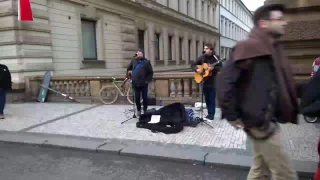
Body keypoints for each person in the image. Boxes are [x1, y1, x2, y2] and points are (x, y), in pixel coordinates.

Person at [216, 4, 299, 180]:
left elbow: (277, 83)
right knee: (286, 175)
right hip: (259, 121)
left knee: (260, 171)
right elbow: (224, 81)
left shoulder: (272, 48)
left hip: (268, 118)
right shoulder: (248, 47)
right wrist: (231, 114)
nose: (284, 23)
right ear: (263, 23)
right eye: (279, 19)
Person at [191, 44, 222, 120]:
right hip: (204, 80)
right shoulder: (202, 57)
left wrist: (213, 69)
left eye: (206, 48)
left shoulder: (216, 58)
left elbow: (220, 67)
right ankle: (208, 114)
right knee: (207, 98)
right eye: (204, 48)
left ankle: (211, 115)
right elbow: (193, 65)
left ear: (211, 50)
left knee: (211, 98)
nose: (205, 50)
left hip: (213, 81)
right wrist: (197, 69)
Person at [127, 49, 153, 116]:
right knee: (137, 97)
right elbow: (128, 69)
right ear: (136, 54)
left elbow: (150, 72)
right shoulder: (133, 61)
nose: (139, 55)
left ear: (142, 54)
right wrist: (128, 76)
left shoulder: (146, 62)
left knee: (145, 97)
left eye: (140, 53)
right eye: (137, 54)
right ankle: (138, 109)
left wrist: (147, 80)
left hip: (144, 83)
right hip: (135, 83)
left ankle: (145, 110)